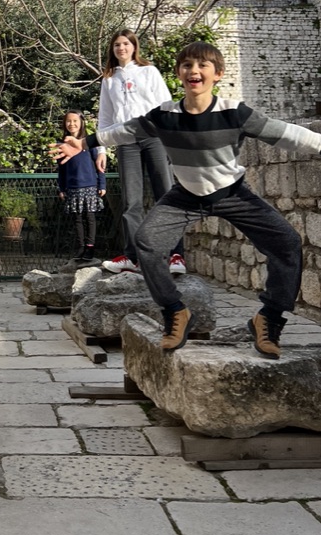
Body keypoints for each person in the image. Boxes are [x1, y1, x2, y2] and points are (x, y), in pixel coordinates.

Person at [53, 41, 321, 358]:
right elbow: (124, 131)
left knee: (287, 242)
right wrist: (84, 143)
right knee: (147, 242)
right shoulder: (166, 115)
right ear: (179, 74)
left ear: (217, 74)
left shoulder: (234, 113)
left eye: (202, 65)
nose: (194, 70)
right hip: (185, 196)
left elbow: (288, 134)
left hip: (233, 193)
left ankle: (269, 320)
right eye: (187, 65)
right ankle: (175, 312)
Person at [98, 29, 185, 275]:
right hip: (126, 141)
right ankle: (133, 257)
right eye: (117, 44)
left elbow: (167, 105)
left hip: (154, 137)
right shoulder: (109, 79)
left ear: (134, 46)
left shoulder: (149, 71)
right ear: (112, 49)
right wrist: (101, 149)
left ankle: (175, 255)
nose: (121, 48)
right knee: (131, 202)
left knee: (165, 195)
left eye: (126, 43)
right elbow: (105, 117)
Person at [57, 109, 105, 262]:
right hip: (72, 187)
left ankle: (90, 247)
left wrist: (102, 184)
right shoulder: (62, 144)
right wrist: (62, 188)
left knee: (90, 217)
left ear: (81, 122)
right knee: (77, 219)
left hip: (90, 186)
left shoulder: (89, 143)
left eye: (75, 121)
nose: (72, 124)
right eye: (68, 121)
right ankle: (81, 247)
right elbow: (61, 169)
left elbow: (99, 164)